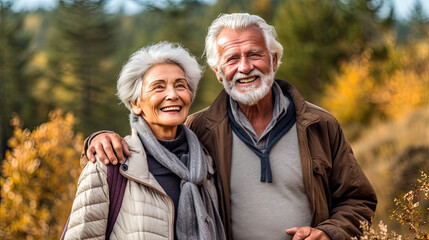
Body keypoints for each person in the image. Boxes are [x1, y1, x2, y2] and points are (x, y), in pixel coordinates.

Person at [82, 13, 377, 240]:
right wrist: (98, 139)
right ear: (218, 72)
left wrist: (330, 232)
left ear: (274, 60)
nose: (245, 67)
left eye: (255, 54)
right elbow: (151, 149)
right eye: (232, 59)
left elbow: (358, 199)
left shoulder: (319, 125)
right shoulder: (200, 130)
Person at [65, 42, 225, 240]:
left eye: (180, 85)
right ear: (135, 103)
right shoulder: (110, 164)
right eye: (158, 87)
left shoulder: (205, 165)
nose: (172, 95)